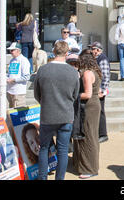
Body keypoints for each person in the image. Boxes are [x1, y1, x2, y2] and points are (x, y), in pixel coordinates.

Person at [34, 41, 80, 180]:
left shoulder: (43, 70)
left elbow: (37, 94)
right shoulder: (73, 72)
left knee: (44, 148)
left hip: (47, 114)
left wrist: (46, 102)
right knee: (63, 151)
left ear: (53, 52)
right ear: (67, 54)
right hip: (66, 115)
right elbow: (75, 95)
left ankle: (42, 178)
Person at [73, 52, 102, 179]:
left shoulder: (87, 73)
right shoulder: (95, 72)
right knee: (92, 135)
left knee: (87, 135)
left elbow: (87, 94)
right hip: (94, 105)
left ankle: (90, 168)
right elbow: (98, 91)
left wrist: (73, 96)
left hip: (88, 107)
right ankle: (90, 165)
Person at [90, 41, 111, 143]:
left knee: (101, 111)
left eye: (93, 49)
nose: (91, 51)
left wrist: (102, 90)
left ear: (98, 50)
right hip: (97, 90)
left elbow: (106, 76)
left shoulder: (102, 59)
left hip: (100, 91)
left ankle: (103, 134)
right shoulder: (97, 59)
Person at [6, 42, 31, 109]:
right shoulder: (12, 60)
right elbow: (10, 73)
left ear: (18, 50)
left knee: (19, 113)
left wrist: (13, 80)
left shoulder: (24, 60)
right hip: (10, 91)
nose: (11, 52)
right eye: (10, 50)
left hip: (19, 92)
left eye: (12, 50)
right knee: (10, 113)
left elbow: (27, 77)